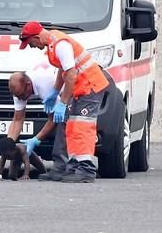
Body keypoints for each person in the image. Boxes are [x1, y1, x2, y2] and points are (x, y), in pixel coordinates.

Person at [18, 21, 110, 183]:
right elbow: (63, 69)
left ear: (38, 37)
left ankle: (86, 170)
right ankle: (71, 168)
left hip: (90, 87)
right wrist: (55, 91)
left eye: (31, 43)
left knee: (82, 128)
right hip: (81, 90)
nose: (33, 47)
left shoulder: (61, 45)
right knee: (72, 128)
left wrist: (62, 102)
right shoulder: (53, 44)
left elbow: (71, 74)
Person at [6, 68, 61, 181]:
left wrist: (36, 139)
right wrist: (9, 143)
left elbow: (53, 119)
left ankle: (64, 168)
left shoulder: (44, 85)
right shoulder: (18, 90)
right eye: (16, 96)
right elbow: (18, 119)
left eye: (21, 95)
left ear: (28, 85)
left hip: (76, 91)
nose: (19, 98)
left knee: (63, 126)